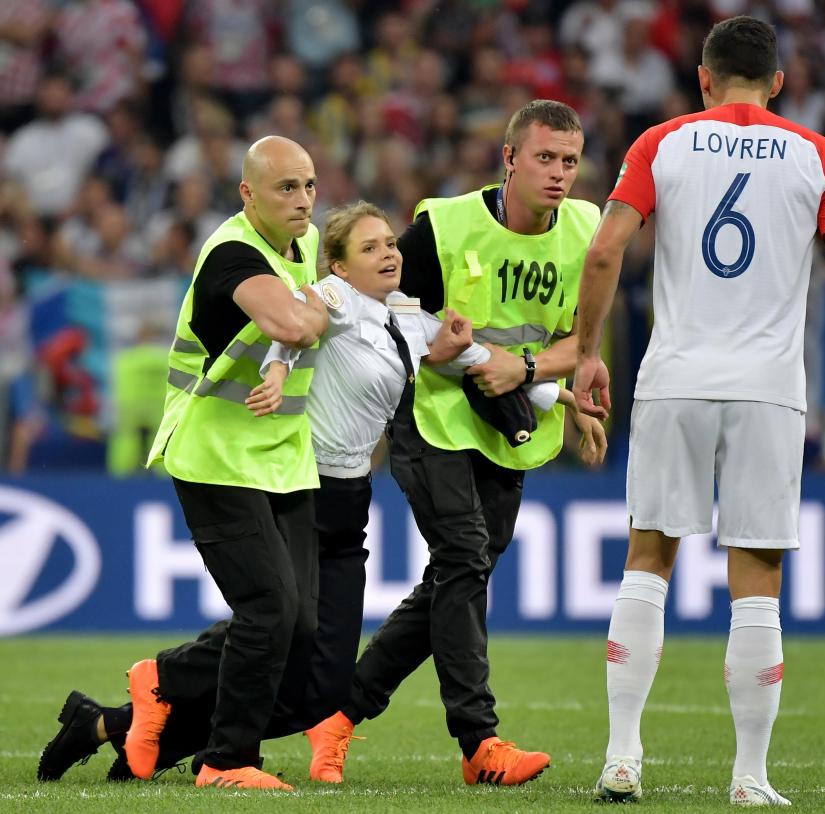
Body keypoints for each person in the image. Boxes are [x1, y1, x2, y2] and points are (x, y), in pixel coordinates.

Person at [37, 200, 607, 783]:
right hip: (305, 490)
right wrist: (279, 369)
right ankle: (177, 702)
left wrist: (569, 400)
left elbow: (489, 363)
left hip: (351, 498)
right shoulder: (333, 300)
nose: (389, 252)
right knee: (280, 629)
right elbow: (294, 322)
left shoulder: (410, 320)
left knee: (321, 685)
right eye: (370, 247)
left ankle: (114, 723)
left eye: (390, 243)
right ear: (336, 265)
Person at [572, 16, 825, 806]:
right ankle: (749, 777)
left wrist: (587, 350)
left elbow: (603, 250)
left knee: (648, 560)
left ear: (703, 78)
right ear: (778, 82)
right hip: (768, 388)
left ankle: (622, 758)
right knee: (758, 578)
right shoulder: (819, 155)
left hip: (674, 377)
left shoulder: (661, 143)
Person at [306, 99, 601, 788]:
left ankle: (341, 713)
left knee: (456, 577)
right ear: (509, 159)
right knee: (465, 557)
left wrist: (553, 383)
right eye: (545, 159)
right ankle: (479, 742)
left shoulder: (587, 230)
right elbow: (376, 300)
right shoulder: (444, 227)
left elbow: (579, 341)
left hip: (512, 421)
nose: (559, 175)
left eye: (569, 161)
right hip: (434, 416)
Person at [132, 134, 326, 792]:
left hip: (282, 457)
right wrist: (325, 305)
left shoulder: (310, 243)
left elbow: (311, 323)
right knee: (269, 611)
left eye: (308, 185)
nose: (303, 201)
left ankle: (159, 682)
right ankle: (226, 761)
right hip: (213, 453)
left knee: (298, 625)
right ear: (248, 194)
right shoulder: (231, 252)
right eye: (286, 188)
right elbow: (296, 325)